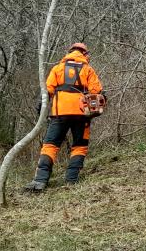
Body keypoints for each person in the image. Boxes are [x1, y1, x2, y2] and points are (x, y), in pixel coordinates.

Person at [25, 42, 105, 191]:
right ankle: (71, 180)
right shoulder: (88, 69)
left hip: (59, 113)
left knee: (50, 145)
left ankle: (40, 180)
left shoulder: (58, 68)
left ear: (69, 52)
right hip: (82, 114)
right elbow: (97, 91)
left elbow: (46, 91)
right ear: (84, 54)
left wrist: (41, 107)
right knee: (79, 146)